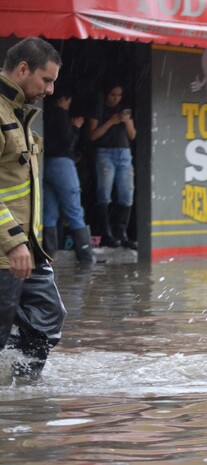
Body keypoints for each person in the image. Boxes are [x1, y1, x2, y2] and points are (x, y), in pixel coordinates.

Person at [0, 36, 67, 377]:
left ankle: (24, 400)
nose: (51, 89)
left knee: (48, 316)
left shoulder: (19, 112)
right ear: (23, 69)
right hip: (7, 250)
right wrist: (12, 241)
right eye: (47, 80)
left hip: (29, 250)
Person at [42, 83, 96, 264]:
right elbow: (68, 141)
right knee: (74, 210)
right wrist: (76, 127)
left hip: (46, 163)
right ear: (63, 100)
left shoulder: (45, 114)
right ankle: (86, 257)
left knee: (49, 212)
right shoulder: (60, 114)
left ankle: (50, 255)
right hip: (62, 165)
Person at [88, 81, 137, 250]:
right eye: (113, 95)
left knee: (126, 194)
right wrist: (110, 121)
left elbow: (132, 136)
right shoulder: (99, 109)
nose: (116, 99)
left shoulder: (124, 110)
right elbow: (92, 135)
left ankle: (121, 233)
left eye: (119, 96)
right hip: (105, 153)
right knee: (104, 194)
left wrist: (127, 122)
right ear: (107, 94)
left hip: (124, 153)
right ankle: (106, 234)